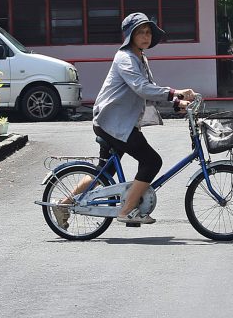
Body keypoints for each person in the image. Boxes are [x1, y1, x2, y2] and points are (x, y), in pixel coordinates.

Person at [54, 13, 195, 228]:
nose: (146, 36)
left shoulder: (140, 58)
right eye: (141, 32)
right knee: (151, 161)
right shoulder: (125, 58)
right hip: (113, 123)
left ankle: (63, 204)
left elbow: (149, 90)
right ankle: (127, 210)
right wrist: (176, 92)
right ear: (130, 36)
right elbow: (141, 88)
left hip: (116, 123)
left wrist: (177, 103)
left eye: (148, 32)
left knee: (104, 172)